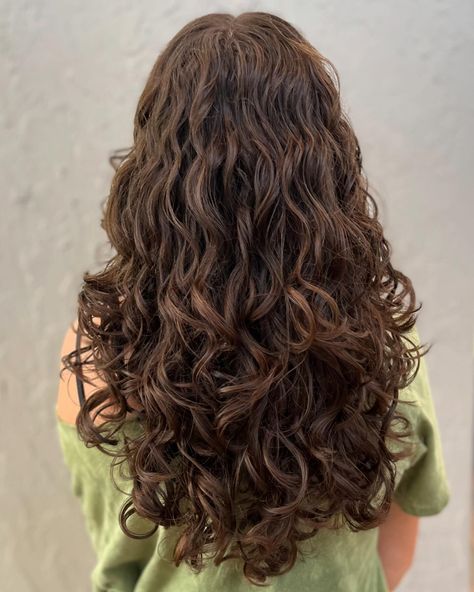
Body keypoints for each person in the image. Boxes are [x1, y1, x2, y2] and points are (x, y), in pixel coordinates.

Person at [55, 11, 450, 592]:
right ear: (326, 166)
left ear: (157, 169)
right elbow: (396, 551)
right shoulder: (383, 348)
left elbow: (115, 544)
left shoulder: (95, 354)